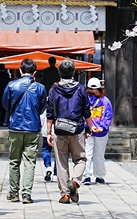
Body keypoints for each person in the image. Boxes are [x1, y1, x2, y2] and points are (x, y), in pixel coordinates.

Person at [46, 59, 95, 205]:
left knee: (61, 163)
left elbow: (50, 113)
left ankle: (65, 195)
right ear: (74, 72)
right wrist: (89, 128)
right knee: (80, 159)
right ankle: (75, 181)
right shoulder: (80, 89)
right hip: (77, 129)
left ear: (59, 72)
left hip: (60, 130)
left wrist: (48, 132)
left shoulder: (54, 90)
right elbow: (86, 111)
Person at [2, 58, 47, 204]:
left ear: (20, 70)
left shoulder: (11, 85)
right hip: (33, 127)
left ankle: (14, 192)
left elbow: (5, 104)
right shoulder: (40, 88)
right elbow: (42, 107)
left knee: (14, 161)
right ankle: (26, 194)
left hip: (15, 126)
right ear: (35, 72)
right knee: (30, 162)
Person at [83, 77, 113, 185]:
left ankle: (95, 175)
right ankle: (90, 175)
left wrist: (102, 127)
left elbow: (108, 116)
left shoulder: (104, 101)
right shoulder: (105, 100)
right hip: (90, 131)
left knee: (96, 154)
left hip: (96, 131)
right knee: (90, 154)